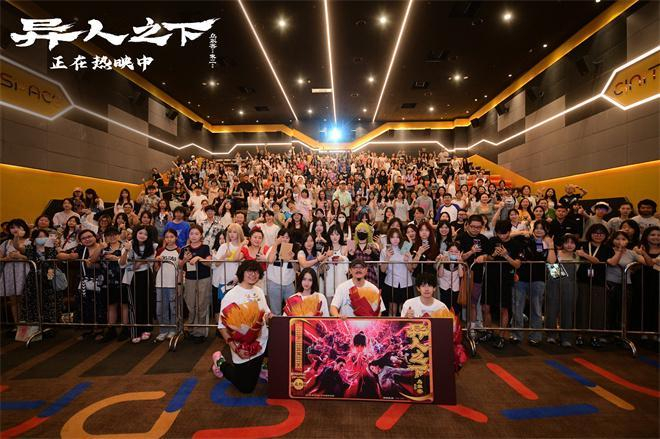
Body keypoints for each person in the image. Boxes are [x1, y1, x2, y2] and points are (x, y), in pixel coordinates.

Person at [214, 260, 272, 393]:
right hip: (243, 347)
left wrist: (269, 317)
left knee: (285, 346)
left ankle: (262, 367)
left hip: (263, 342)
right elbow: (222, 327)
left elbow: (266, 313)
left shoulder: (259, 291)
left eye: (256, 271)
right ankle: (220, 363)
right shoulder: (231, 296)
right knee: (246, 387)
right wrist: (235, 348)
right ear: (242, 273)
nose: (253, 274)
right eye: (249, 271)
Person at [483, 220, 524, 349]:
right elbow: (486, 258)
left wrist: (506, 255)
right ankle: (488, 332)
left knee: (504, 308)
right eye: (499, 233)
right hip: (490, 277)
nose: (501, 236)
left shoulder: (516, 244)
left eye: (504, 233)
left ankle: (501, 336)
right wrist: (493, 255)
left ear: (509, 232)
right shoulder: (492, 241)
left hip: (506, 279)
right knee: (486, 307)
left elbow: (517, 264)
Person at [512, 222, 556, 345]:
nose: (539, 230)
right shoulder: (525, 239)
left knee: (536, 308)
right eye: (536, 228)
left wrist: (551, 245)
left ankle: (536, 336)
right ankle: (516, 335)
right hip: (521, 278)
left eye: (542, 228)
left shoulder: (548, 243)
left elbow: (552, 262)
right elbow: (508, 236)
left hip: (538, 279)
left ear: (547, 231)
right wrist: (522, 232)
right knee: (517, 307)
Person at [575, 224, 614, 348]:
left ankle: (595, 336)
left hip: (599, 282)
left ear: (605, 235)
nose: (598, 235)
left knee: (598, 310)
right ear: (590, 234)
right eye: (595, 233)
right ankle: (579, 335)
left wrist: (584, 255)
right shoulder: (582, 245)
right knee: (581, 308)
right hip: (581, 281)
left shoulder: (607, 249)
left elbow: (598, 261)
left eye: (601, 233)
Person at [119, 225, 157, 343]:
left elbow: (151, 260)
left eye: (145, 234)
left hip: (146, 276)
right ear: (136, 233)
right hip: (131, 277)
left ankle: (147, 329)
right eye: (140, 233)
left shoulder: (151, 246)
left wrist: (140, 262)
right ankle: (135, 331)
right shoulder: (128, 244)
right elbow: (122, 263)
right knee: (134, 305)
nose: (142, 236)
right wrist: (127, 250)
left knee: (147, 303)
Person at [545, 234, 580, 347]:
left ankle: (566, 338)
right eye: (566, 242)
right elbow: (551, 265)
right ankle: (551, 335)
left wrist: (585, 255)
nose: (569, 245)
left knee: (568, 311)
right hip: (554, 284)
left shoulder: (578, 255)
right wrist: (551, 246)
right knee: (552, 310)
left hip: (570, 285)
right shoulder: (556, 253)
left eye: (572, 242)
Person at [179, 225, 213, 343]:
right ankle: (191, 328)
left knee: (201, 304)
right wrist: (185, 259)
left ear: (201, 235)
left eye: (196, 234)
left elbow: (209, 262)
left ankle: (200, 332)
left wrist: (198, 258)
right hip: (190, 279)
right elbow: (179, 265)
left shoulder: (205, 247)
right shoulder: (185, 249)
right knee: (190, 304)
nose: (193, 236)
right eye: (191, 233)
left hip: (204, 278)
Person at [380, 228, 413, 316]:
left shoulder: (405, 249)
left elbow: (410, 268)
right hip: (391, 282)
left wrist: (407, 261)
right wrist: (387, 258)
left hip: (405, 282)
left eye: (397, 237)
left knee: (404, 309)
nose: (395, 239)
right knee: (392, 310)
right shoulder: (384, 250)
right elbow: (382, 270)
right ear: (389, 238)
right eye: (392, 237)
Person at [154, 229, 180, 342]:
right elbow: (156, 268)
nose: (169, 239)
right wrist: (156, 260)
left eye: (171, 236)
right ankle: (163, 330)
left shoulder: (179, 251)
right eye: (167, 237)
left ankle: (173, 329)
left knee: (173, 308)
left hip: (173, 283)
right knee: (161, 308)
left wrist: (179, 283)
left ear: (176, 238)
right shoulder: (160, 250)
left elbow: (181, 268)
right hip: (160, 282)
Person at [265, 229, 297, 315]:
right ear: (278, 237)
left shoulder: (294, 250)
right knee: (275, 312)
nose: (285, 239)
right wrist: (276, 244)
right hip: (274, 283)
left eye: (287, 237)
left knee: (292, 311)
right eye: (282, 237)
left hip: (289, 284)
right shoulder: (273, 248)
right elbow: (270, 260)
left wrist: (292, 259)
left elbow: (297, 269)